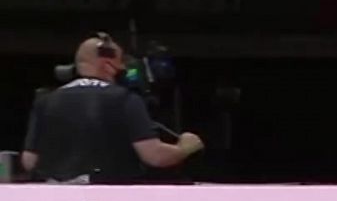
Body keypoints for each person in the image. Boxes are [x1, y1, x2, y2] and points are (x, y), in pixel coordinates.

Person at [21, 34, 202, 183]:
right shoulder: (125, 99)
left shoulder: (45, 101)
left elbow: (29, 161)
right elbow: (154, 156)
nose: (124, 67)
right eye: (121, 61)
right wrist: (184, 148)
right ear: (107, 65)